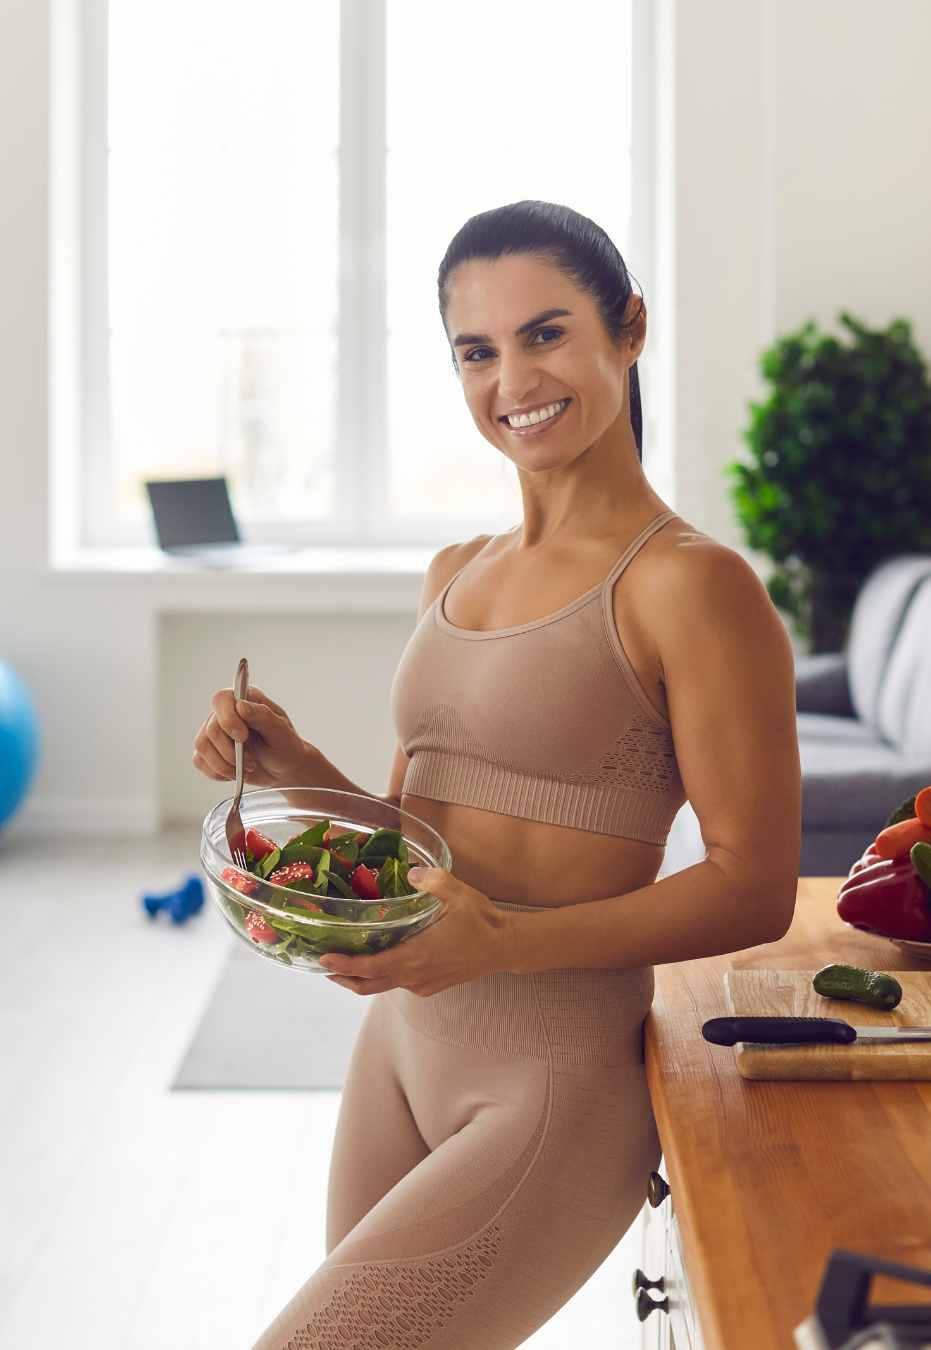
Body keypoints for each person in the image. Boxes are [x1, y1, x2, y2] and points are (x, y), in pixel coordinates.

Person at [193, 200, 800, 1350]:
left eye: (547, 333)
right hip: (402, 1052)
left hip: (553, 1086)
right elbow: (422, 842)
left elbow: (753, 885)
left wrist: (503, 945)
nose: (511, 377)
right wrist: (296, 771)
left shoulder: (690, 586)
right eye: (476, 350)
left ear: (630, 329)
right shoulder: (455, 571)